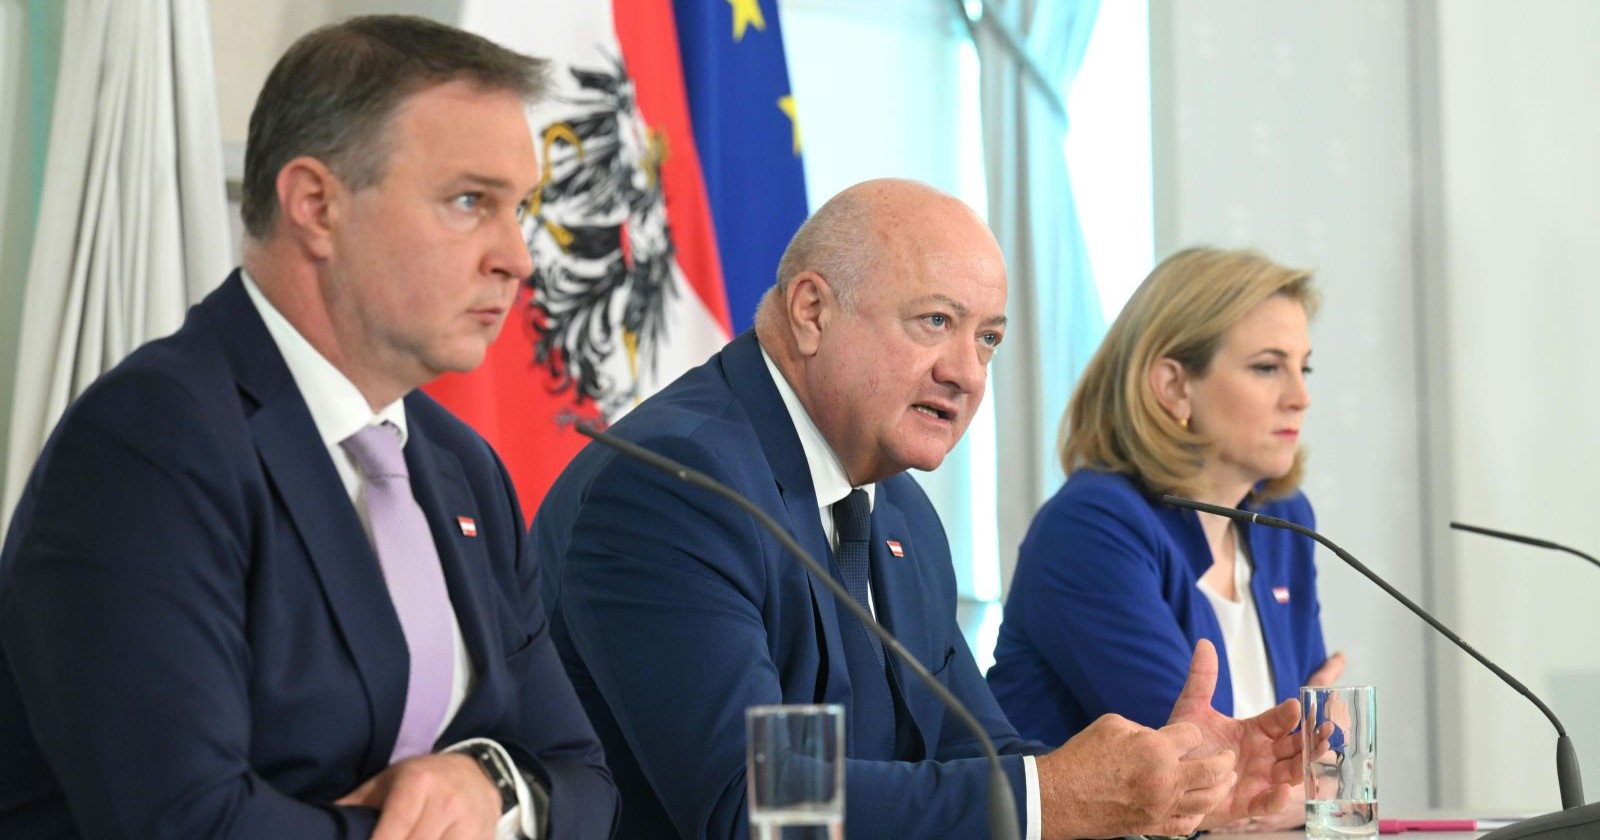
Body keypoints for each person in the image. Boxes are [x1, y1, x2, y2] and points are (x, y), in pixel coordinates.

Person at [533, 181, 1307, 839]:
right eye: (935, 322)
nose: (967, 373)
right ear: (812, 311)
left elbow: (979, 755)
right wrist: (1058, 797)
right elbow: (757, 804)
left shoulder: (898, 511)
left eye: (988, 339)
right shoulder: (677, 487)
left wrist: (1170, 788)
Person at [0, 16, 616, 840]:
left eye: (521, 209)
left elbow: (583, 779)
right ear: (317, 206)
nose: (518, 257)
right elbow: (185, 822)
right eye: (470, 202)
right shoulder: (149, 445)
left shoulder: (461, 465)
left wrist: (489, 782)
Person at [987, 247, 1344, 829]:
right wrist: (1317, 781)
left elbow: (1306, 759)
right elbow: (1200, 784)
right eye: (1267, 367)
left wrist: (1311, 775)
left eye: (1303, 369)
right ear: (1174, 386)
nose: (1299, 397)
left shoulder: (1282, 520)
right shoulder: (1093, 527)